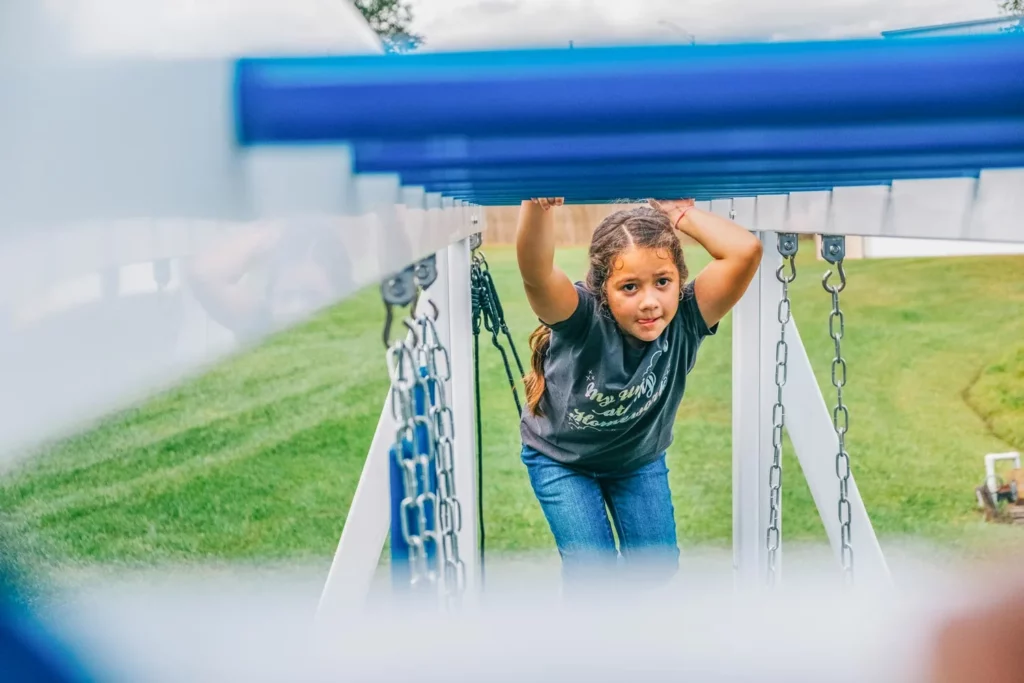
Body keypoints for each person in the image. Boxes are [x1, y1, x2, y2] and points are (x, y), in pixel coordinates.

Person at [515, 197, 762, 592]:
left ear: (679, 280)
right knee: (592, 572)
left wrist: (678, 214)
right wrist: (537, 207)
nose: (649, 302)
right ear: (603, 291)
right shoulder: (583, 320)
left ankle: (635, 641)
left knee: (656, 566)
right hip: (562, 460)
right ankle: (590, 649)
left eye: (662, 282)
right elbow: (536, 273)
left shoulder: (687, 318)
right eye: (629, 287)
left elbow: (745, 251)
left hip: (636, 460)